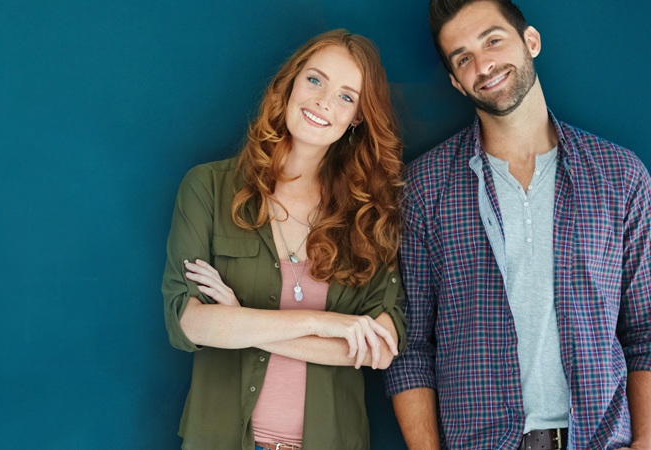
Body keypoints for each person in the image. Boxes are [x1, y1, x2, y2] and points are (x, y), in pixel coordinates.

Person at [384, 1, 651, 449]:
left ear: (531, 41)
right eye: (463, 57)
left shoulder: (620, 177)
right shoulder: (423, 189)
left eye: (493, 40)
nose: (484, 65)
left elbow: (645, 327)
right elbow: (410, 348)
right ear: (455, 80)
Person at [162, 29, 406, 450]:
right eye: (315, 80)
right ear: (291, 83)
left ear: (358, 118)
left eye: (347, 97)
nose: (324, 102)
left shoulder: (368, 217)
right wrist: (323, 323)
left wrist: (240, 321)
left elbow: (378, 348)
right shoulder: (207, 188)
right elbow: (189, 322)